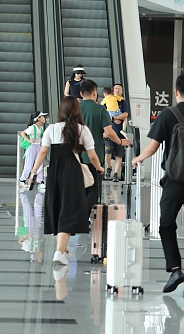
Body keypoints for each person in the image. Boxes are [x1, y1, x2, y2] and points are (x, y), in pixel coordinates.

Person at [132, 72, 184, 298]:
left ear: (176, 91)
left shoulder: (168, 114)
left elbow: (152, 146)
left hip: (174, 181)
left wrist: (138, 158)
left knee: (166, 224)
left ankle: (175, 269)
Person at [29, 97, 103, 266]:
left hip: (55, 173)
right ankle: (59, 251)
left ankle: (62, 249)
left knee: (56, 208)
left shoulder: (51, 129)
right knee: (69, 211)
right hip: (73, 174)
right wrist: (99, 167)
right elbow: (91, 155)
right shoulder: (82, 130)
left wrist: (34, 171)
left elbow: (42, 153)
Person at [78, 80, 131, 210]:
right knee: (93, 189)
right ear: (95, 93)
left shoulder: (74, 108)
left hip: (75, 155)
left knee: (78, 188)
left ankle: (77, 217)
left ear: (81, 93)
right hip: (95, 155)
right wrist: (120, 141)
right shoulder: (100, 109)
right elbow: (108, 131)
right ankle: (85, 216)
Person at [104, 83, 129, 182]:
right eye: (115, 88)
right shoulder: (107, 100)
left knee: (119, 154)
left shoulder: (123, 102)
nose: (117, 90)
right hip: (108, 131)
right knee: (107, 152)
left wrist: (114, 118)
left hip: (119, 133)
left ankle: (115, 174)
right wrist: (112, 119)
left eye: (119, 89)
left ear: (122, 91)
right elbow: (103, 114)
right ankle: (109, 167)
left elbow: (125, 115)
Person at [18, 111, 48, 191]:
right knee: (29, 165)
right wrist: (29, 140)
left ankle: (40, 181)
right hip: (31, 147)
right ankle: (22, 180)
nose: (44, 118)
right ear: (38, 118)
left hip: (38, 146)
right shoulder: (32, 127)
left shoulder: (41, 128)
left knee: (40, 164)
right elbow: (23, 133)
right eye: (43, 117)